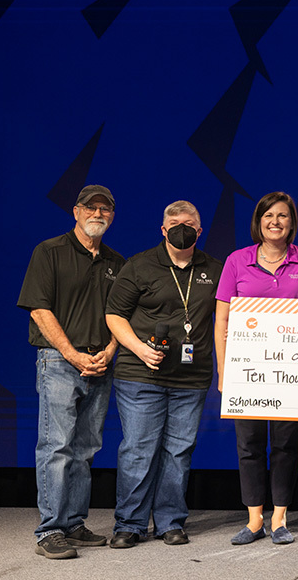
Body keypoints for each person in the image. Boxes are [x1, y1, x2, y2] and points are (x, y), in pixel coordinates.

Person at [105, 200, 223, 548]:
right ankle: (130, 523)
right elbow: (114, 314)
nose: (180, 229)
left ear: (199, 231)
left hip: (191, 377)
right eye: (174, 224)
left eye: (188, 224)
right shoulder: (139, 265)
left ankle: (170, 521)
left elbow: (229, 316)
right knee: (139, 450)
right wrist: (140, 348)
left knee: (179, 451)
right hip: (141, 374)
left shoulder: (215, 269)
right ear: (163, 230)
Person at [18, 185, 126, 559]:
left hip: (100, 365)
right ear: (76, 211)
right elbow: (39, 309)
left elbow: (119, 316)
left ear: (112, 216)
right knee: (57, 447)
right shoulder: (49, 251)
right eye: (91, 207)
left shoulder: (116, 262)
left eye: (105, 209)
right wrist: (72, 354)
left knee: (85, 450)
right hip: (59, 363)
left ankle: (73, 523)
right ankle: (49, 530)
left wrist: (109, 351)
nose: (98, 214)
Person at [214, 192, 298, 546]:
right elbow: (222, 321)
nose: (275, 222)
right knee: (250, 444)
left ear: (292, 222)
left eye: (283, 216)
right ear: (258, 222)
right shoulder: (237, 261)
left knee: (286, 445)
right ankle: (254, 519)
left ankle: (280, 519)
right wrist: (223, 371)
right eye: (268, 215)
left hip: (292, 371)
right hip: (246, 372)